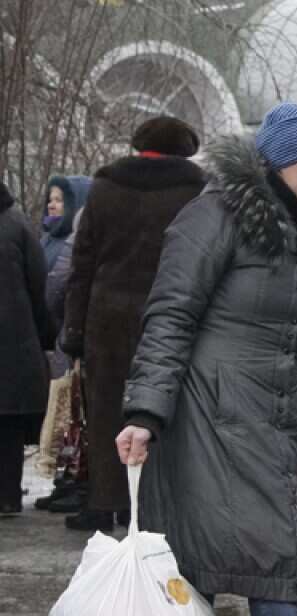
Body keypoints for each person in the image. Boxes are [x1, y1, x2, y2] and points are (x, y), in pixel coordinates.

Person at [115, 102, 297, 616]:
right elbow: (170, 315)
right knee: (218, 556)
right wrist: (146, 411)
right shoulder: (214, 216)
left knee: (265, 552)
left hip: (270, 421)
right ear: (278, 161)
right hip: (201, 415)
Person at [57, 116, 206, 533]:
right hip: (173, 316)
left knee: (105, 411)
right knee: (164, 410)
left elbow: (81, 263)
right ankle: (158, 505)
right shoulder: (198, 191)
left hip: (106, 317)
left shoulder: (104, 188)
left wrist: (74, 331)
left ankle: (105, 504)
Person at [0, 179, 54, 516]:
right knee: (7, 425)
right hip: (14, 344)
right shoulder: (17, 224)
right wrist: (44, 338)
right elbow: (39, 286)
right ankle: (6, 495)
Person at [34, 175, 91, 480]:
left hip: (64, 334)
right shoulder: (45, 239)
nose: (53, 206)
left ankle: (66, 476)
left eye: (59, 200)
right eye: (51, 199)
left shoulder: (74, 238)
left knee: (67, 410)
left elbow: (56, 287)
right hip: (49, 334)